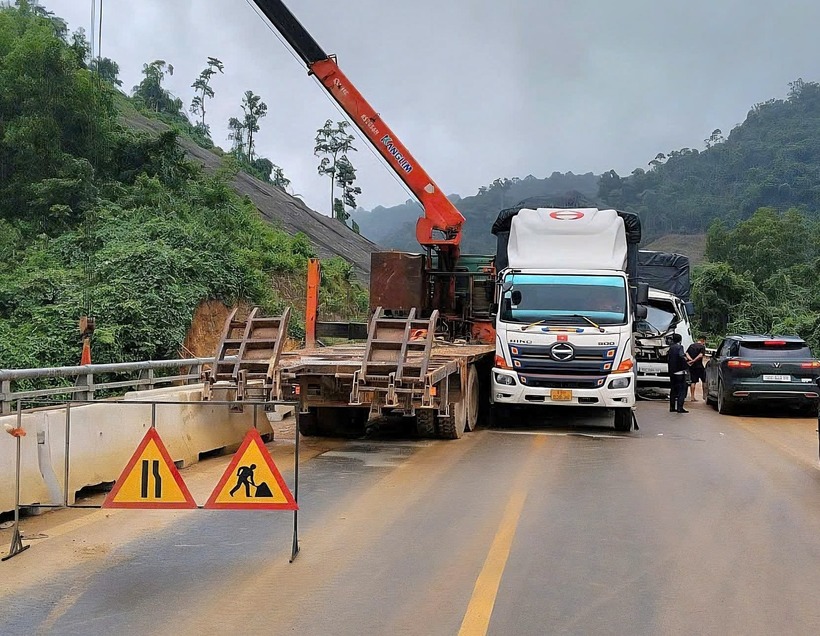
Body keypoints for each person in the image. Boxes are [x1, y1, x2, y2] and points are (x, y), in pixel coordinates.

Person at [667, 333, 689, 413]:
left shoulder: (671, 348)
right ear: (680, 340)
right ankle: (680, 408)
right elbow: (681, 356)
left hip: (672, 372)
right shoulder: (680, 347)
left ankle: (672, 407)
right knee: (681, 390)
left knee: (673, 390)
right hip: (679, 372)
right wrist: (685, 364)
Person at [686, 336, 707, 402]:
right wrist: (694, 360)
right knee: (704, 380)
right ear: (703, 341)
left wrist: (690, 360)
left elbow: (686, 353)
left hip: (692, 366)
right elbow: (700, 355)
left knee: (693, 381)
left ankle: (692, 397)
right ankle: (704, 395)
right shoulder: (702, 347)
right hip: (699, 366)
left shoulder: (691, 346)